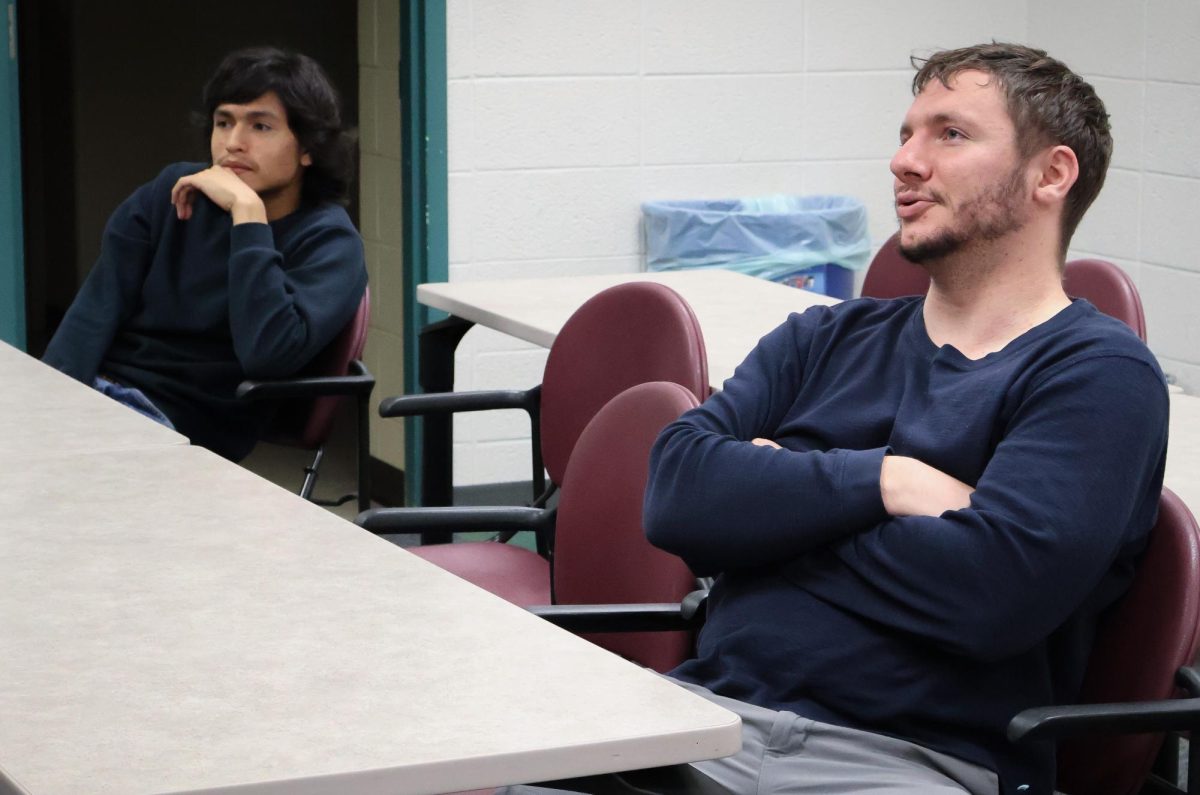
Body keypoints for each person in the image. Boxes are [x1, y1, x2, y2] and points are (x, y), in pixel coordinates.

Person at [503, 43, 1169, 795]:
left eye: (949, 134)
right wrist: (888, 480)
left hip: (899, 762)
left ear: (1051, 174)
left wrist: (770, 515)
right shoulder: (823, 337)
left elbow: (992, 595)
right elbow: (676, 492)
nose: (904, 162)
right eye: (905, 133)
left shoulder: (1096, 375)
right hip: (696, 721)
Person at [43, 47, 367, 462]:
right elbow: (94, 311)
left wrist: (248, 219)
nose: (234, 143)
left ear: (308, 148)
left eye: (261, 127)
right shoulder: (170, 193)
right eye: (223, 122)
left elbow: (268, 356)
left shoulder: (330, 244)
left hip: (178, 424)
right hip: (98, 398)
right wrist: (47, 410)